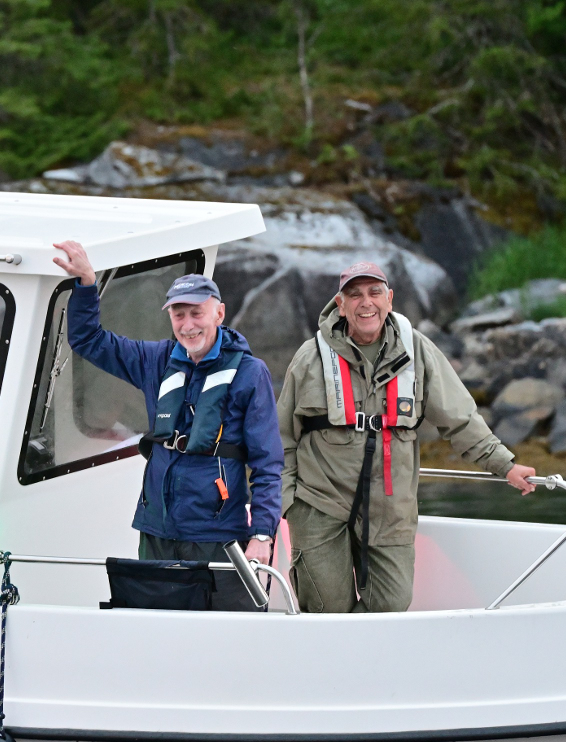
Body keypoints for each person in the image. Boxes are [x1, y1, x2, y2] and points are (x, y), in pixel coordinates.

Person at [279, 261, 537, 613]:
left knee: (392, 605)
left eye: (374, 292)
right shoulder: (309, 357)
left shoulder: (417, 350)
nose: (365, 302)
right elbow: (281, 438)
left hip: (391, 506)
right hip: (319, 504)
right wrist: (287, 503)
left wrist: (504, 465)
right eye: (354, 295)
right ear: (340, 304)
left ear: (390, 298)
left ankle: (368, 665)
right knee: (326, 609)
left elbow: (460, 418)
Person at [52, 240, 282, 610]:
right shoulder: (155, 360)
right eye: (179, 315)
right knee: (155, 632)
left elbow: (268, 463)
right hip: (156, 530)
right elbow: (87, 339)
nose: (188, 325)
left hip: (218, 536)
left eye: (197, 313)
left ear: (219, 313)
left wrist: (262, 534)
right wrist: (85, 285)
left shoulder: (251, 374)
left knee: (225, 637)